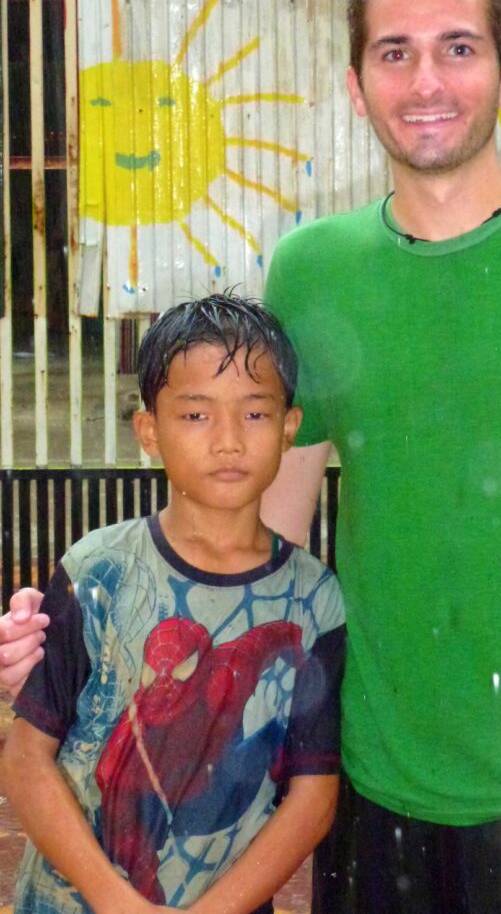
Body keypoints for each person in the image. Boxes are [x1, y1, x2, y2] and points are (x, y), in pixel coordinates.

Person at [1, 0, 501, 914]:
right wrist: (81, 643)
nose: (427, 81)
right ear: (356, 85)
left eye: (458, 48)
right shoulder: (315, 270)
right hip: (372, 790)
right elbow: (258, 540)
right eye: (395, 52)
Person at [2, 294, 345, 914]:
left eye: (255, 413)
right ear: (149, 432)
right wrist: (117, 902)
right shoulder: (98, 571)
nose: (228, 440)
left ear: (290, 427)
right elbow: (27, 760)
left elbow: (312, 799)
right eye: (195, 415)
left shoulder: (315, 600)